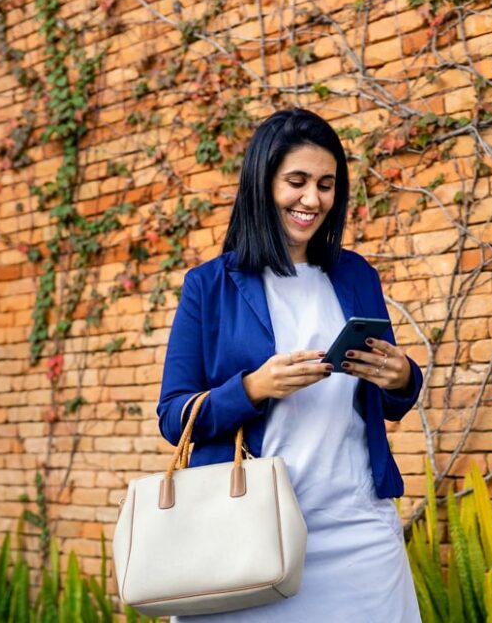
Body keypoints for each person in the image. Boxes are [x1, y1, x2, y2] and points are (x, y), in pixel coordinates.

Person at [156, 108, 424, 621]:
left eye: (326, 184)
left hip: (357, 528)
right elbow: (174, 416)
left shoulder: (355, 275)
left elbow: (389, 394)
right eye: (296, 182)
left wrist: (403, 376)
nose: (313, 199)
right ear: (263, 184)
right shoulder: (209, 286)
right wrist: (254, 387)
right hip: (248, 530)